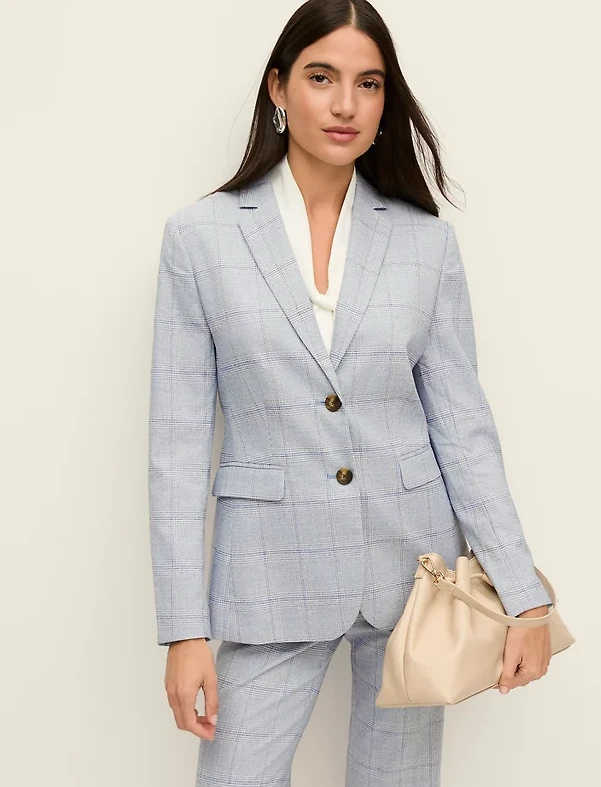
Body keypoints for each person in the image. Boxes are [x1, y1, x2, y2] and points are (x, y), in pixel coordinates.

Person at [147, 1, 552, 784]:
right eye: (321, 77)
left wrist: (524, 593)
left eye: (368, 84)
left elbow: (462, 428)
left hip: (414, 576)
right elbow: (176, 446)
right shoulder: (199, 239)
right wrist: (183, 627)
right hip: (269, 574)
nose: (345, 104)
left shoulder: (426, 242)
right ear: (278, 88)